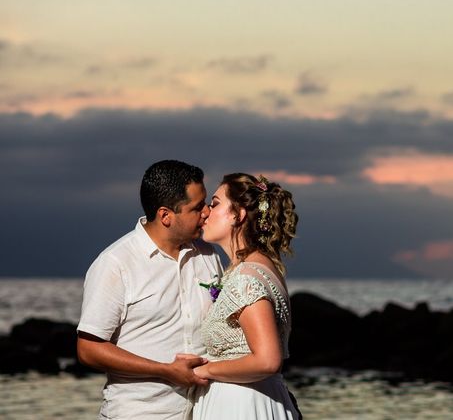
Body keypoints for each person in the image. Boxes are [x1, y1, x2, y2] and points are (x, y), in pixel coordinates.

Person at [77, 160, 223, 420]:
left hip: (205, 412)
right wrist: (164, 370)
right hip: (140, 413)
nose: (207, 213)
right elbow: (88, 349)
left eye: (206, 204)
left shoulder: (208, 255)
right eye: (197, 207)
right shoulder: (116, 263)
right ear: (166, 215)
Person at [191, 173, 300, 420]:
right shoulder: (260, 267)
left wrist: (204, 370)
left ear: (238, 215)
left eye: (215, 203)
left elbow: (267, 360)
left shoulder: (247, 278)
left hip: (242, 405)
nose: (207, 212)